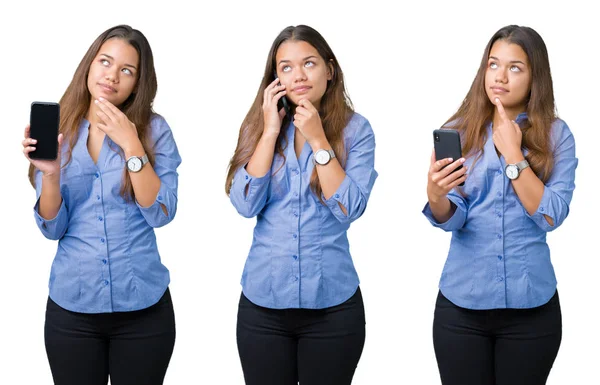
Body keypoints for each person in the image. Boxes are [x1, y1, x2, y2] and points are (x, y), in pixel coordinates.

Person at [22, 25, 181, 385]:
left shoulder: (154, 131)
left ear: (139, 83)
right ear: (89, 67)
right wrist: (49, 173)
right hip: (72, 310)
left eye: (127, 70)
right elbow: (52, 228)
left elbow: (162, 213)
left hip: (143, 311)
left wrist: (131, 146)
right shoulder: (60, 127)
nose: (112, 75)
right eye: (105, 62)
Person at [424, 25, 577, 385]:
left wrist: (513, 155)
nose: (500, 76)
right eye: (494, 64)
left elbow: (552, 214)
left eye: (515, 67)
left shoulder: (557, 136)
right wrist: (435, 195)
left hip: (531, 310)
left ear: (534, 76)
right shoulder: (458, 132)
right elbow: (454, 217)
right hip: (461, 309)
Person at [225, 25, 377, 385]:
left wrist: (318, 139)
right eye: (286, 67)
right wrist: (270, 132)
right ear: (275, 77)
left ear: (329, 69)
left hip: (333, 307)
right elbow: (245, 205)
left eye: (309, 63)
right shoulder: (259, 126)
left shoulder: (357, 130)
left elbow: (349, 209)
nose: (299, 75)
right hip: (263, 305)